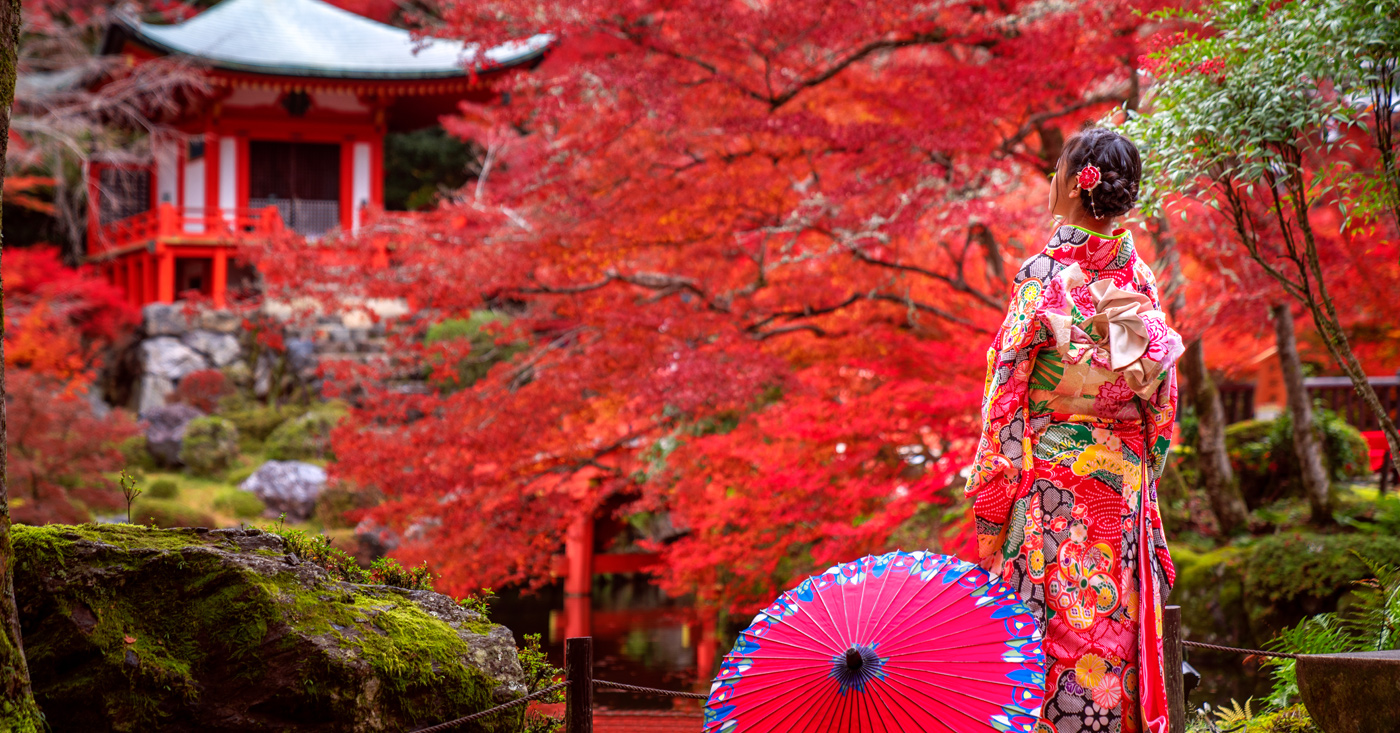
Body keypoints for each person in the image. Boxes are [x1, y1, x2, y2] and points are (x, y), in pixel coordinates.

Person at [966, 127, 1185, 733]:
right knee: (1117, 630)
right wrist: (1138, 467)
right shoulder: (1139, 279)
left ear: (1073, 182)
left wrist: (995, 493)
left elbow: (1006, 386)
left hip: (1049, 482)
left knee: (1047, 638)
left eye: (1058, 169)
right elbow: (1161, 403)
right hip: (1122, 484)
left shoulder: (1042, 272)